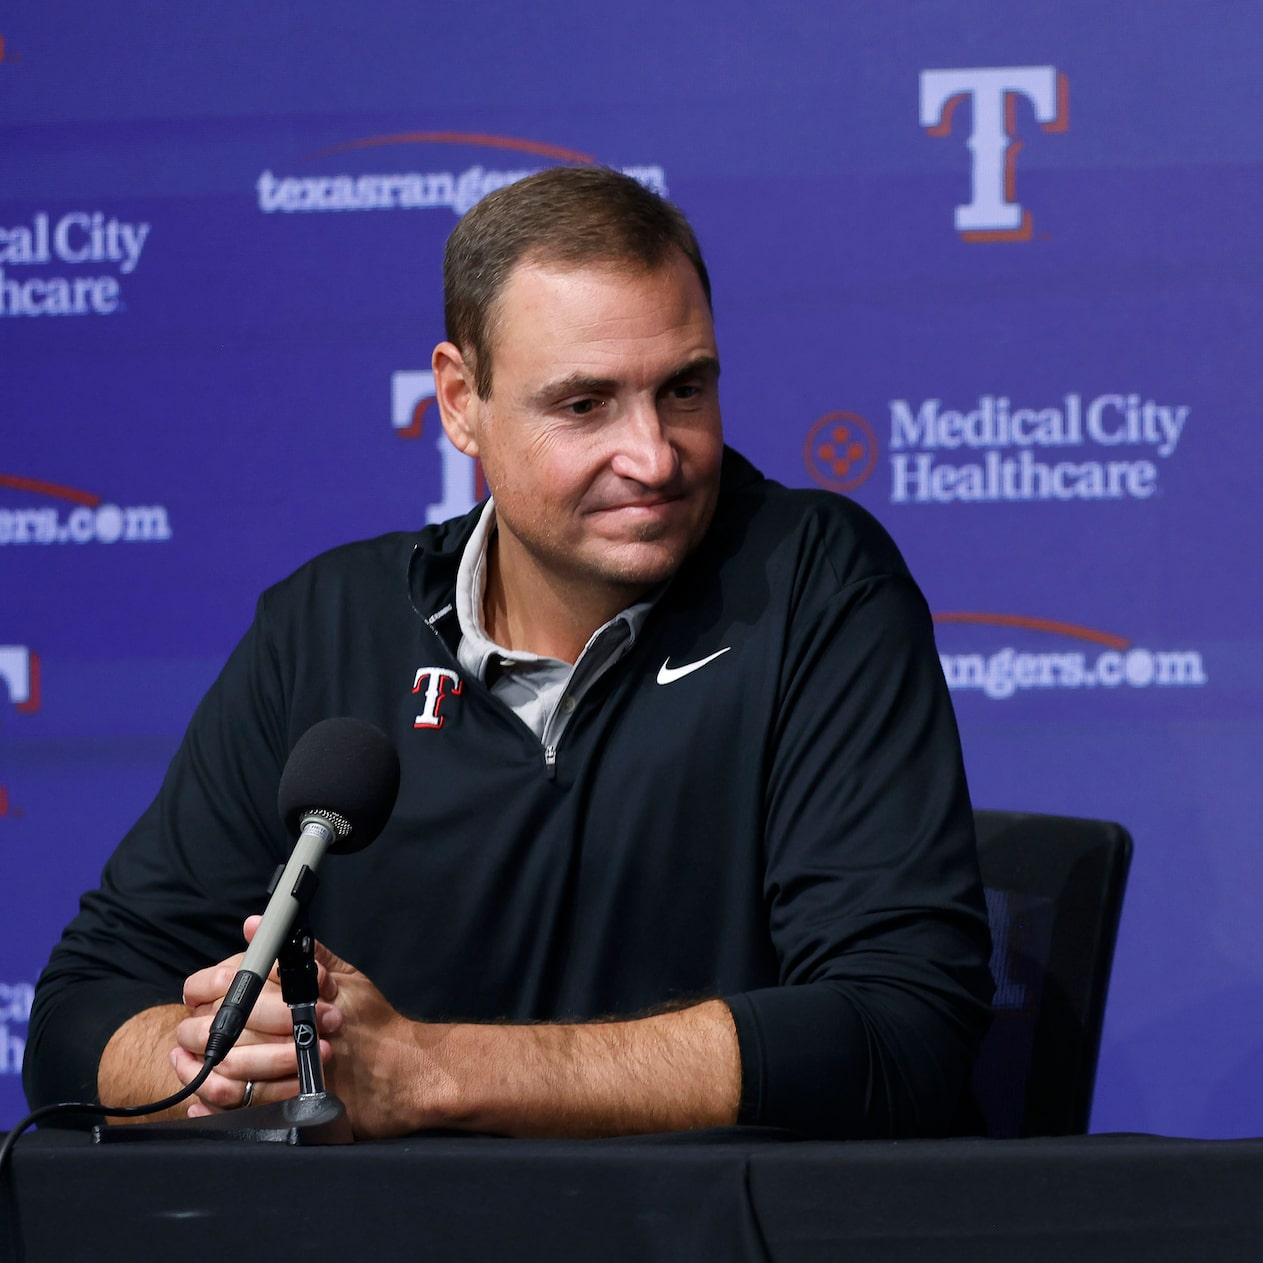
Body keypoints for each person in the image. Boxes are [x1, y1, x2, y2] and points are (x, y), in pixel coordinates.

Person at [26, 166, 993, 1138]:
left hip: (705, 1262)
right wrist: (218, 1064)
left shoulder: (817, 584)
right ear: (459, 400)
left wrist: (431, 1072)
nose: (654, 456)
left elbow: (901, 1034)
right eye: (584, 406)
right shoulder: (328, 622)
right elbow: (80, 1012)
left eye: (684, 389)